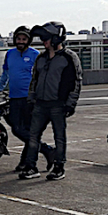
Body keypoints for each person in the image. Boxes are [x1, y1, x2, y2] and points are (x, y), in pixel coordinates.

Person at [18, 22, 83, 181]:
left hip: (58, 104)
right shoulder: (41, 58)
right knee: (33, 136)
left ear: (56, 38)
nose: (44, 41)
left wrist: (70, 103)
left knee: (59, 137)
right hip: (40, 104)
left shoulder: (69, 58)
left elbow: (76, 81)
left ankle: (59, 166)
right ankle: (31, 166)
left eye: (46, 38)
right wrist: (31, 99)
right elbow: (35, 80)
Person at [0, 26, 55, 172]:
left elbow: (42, 76)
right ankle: (46, 150)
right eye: (18, 39)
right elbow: (5, 74)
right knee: (17, 129)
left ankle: (25, 162)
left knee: (29, 130)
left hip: (30, 98)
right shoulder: (10, 54)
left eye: (24, 39)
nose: (21, 41)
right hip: (14, 97)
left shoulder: (36, 55)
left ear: (28, 40)